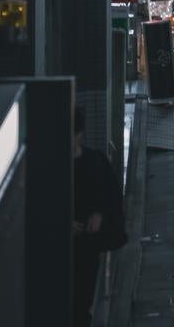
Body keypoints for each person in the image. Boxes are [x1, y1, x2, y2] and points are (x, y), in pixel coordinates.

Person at [73, 107, 126, 327]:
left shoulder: (95, 161)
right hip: (80, 247)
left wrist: (100, 215)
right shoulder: (95, 161)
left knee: (81, 303)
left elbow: (112, 197)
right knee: (78, 306)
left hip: (86, 248)